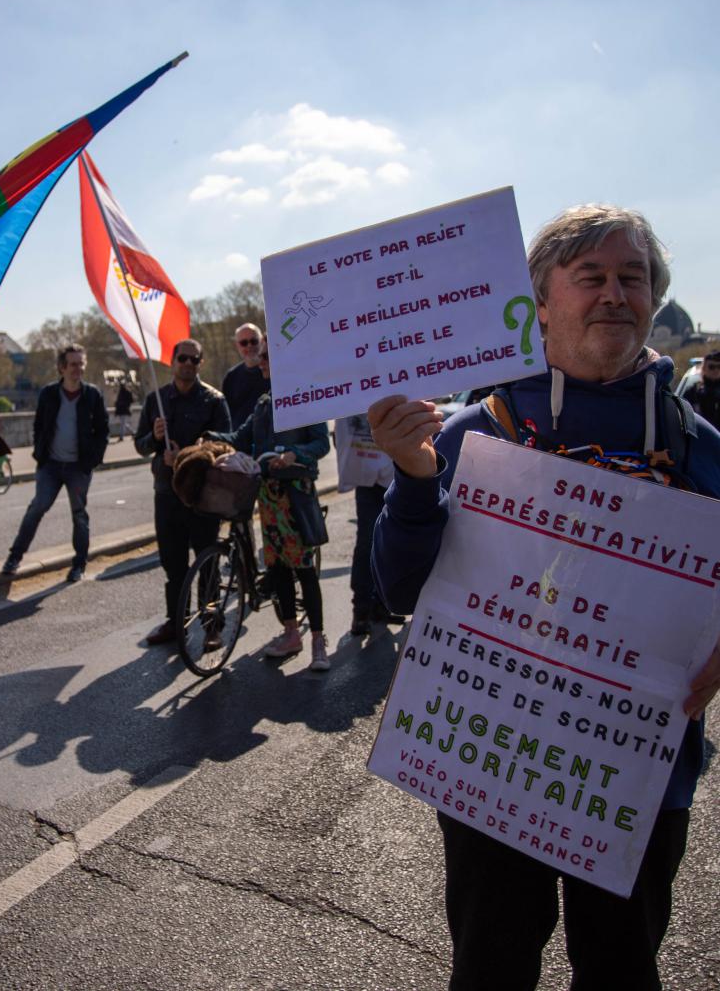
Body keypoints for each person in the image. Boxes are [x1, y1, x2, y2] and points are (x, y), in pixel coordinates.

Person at [368, 205, 720, 990]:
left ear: (654, 298)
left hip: (637, 778)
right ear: (540, 302)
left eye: (632, 278)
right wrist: (415, 478)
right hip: (491, 766)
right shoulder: (469, 432)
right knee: (491, 968)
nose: (614, 294)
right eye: (590, 276)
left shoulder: (702, 448)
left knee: (622, 970)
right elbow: (397, 589)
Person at [211, 339, 332, 669]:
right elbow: (240, 438)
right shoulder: (264, 402)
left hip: (295, 494)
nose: (259, 361)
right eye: (260, 356)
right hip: (268, 496)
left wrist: (295, 454)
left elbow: (322, 443)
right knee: (277, 566)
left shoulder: (305, 395)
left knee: (304, 568)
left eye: (265, 356)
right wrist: (208, 437)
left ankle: (318, 640)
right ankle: (291, 633)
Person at [135, 339, 231, 645]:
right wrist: (154, 438)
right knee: (173, 563)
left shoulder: (214, 400)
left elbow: (225, 444)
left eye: (194, 359)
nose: (188, 364)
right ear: (173, 361)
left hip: (204, 494)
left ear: (201, 363)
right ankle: (175, 622)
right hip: (166, 492)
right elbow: (139, 445)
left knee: (207, 560)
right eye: (183, 358)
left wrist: (185, 456)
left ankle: (212, 624)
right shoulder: (157, 399)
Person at [0, 344, 108, 582]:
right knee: (38, 507)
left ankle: (79, 564)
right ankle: (14, 557)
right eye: (73, 364)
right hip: (50, 465)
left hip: (78, 467)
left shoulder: (92, 395)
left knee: (79, 514)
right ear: (62, 368)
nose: (78, 369)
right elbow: (39, 425)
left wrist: (93, 460)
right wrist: (40, 454)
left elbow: (103, 430)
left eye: (81, 364)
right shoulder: (48, 393)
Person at [334, 414, 405, 635]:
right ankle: (362, 609)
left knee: (390, 544)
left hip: (392, 478)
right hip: (371, 481)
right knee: (368, 543)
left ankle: (381, 604)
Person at [221, 322, 270, 430]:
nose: (249, 346)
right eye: (244, 343)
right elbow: (226, 415)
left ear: (262, 341)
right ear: (237, 346)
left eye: (254, 341)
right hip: (240, 436)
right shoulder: (231, 377)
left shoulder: (272, 372)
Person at [682, 348, 720, 429]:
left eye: (719, 367)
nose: (716, 370)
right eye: (712, 367)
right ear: (704, 368)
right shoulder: (692, 393)